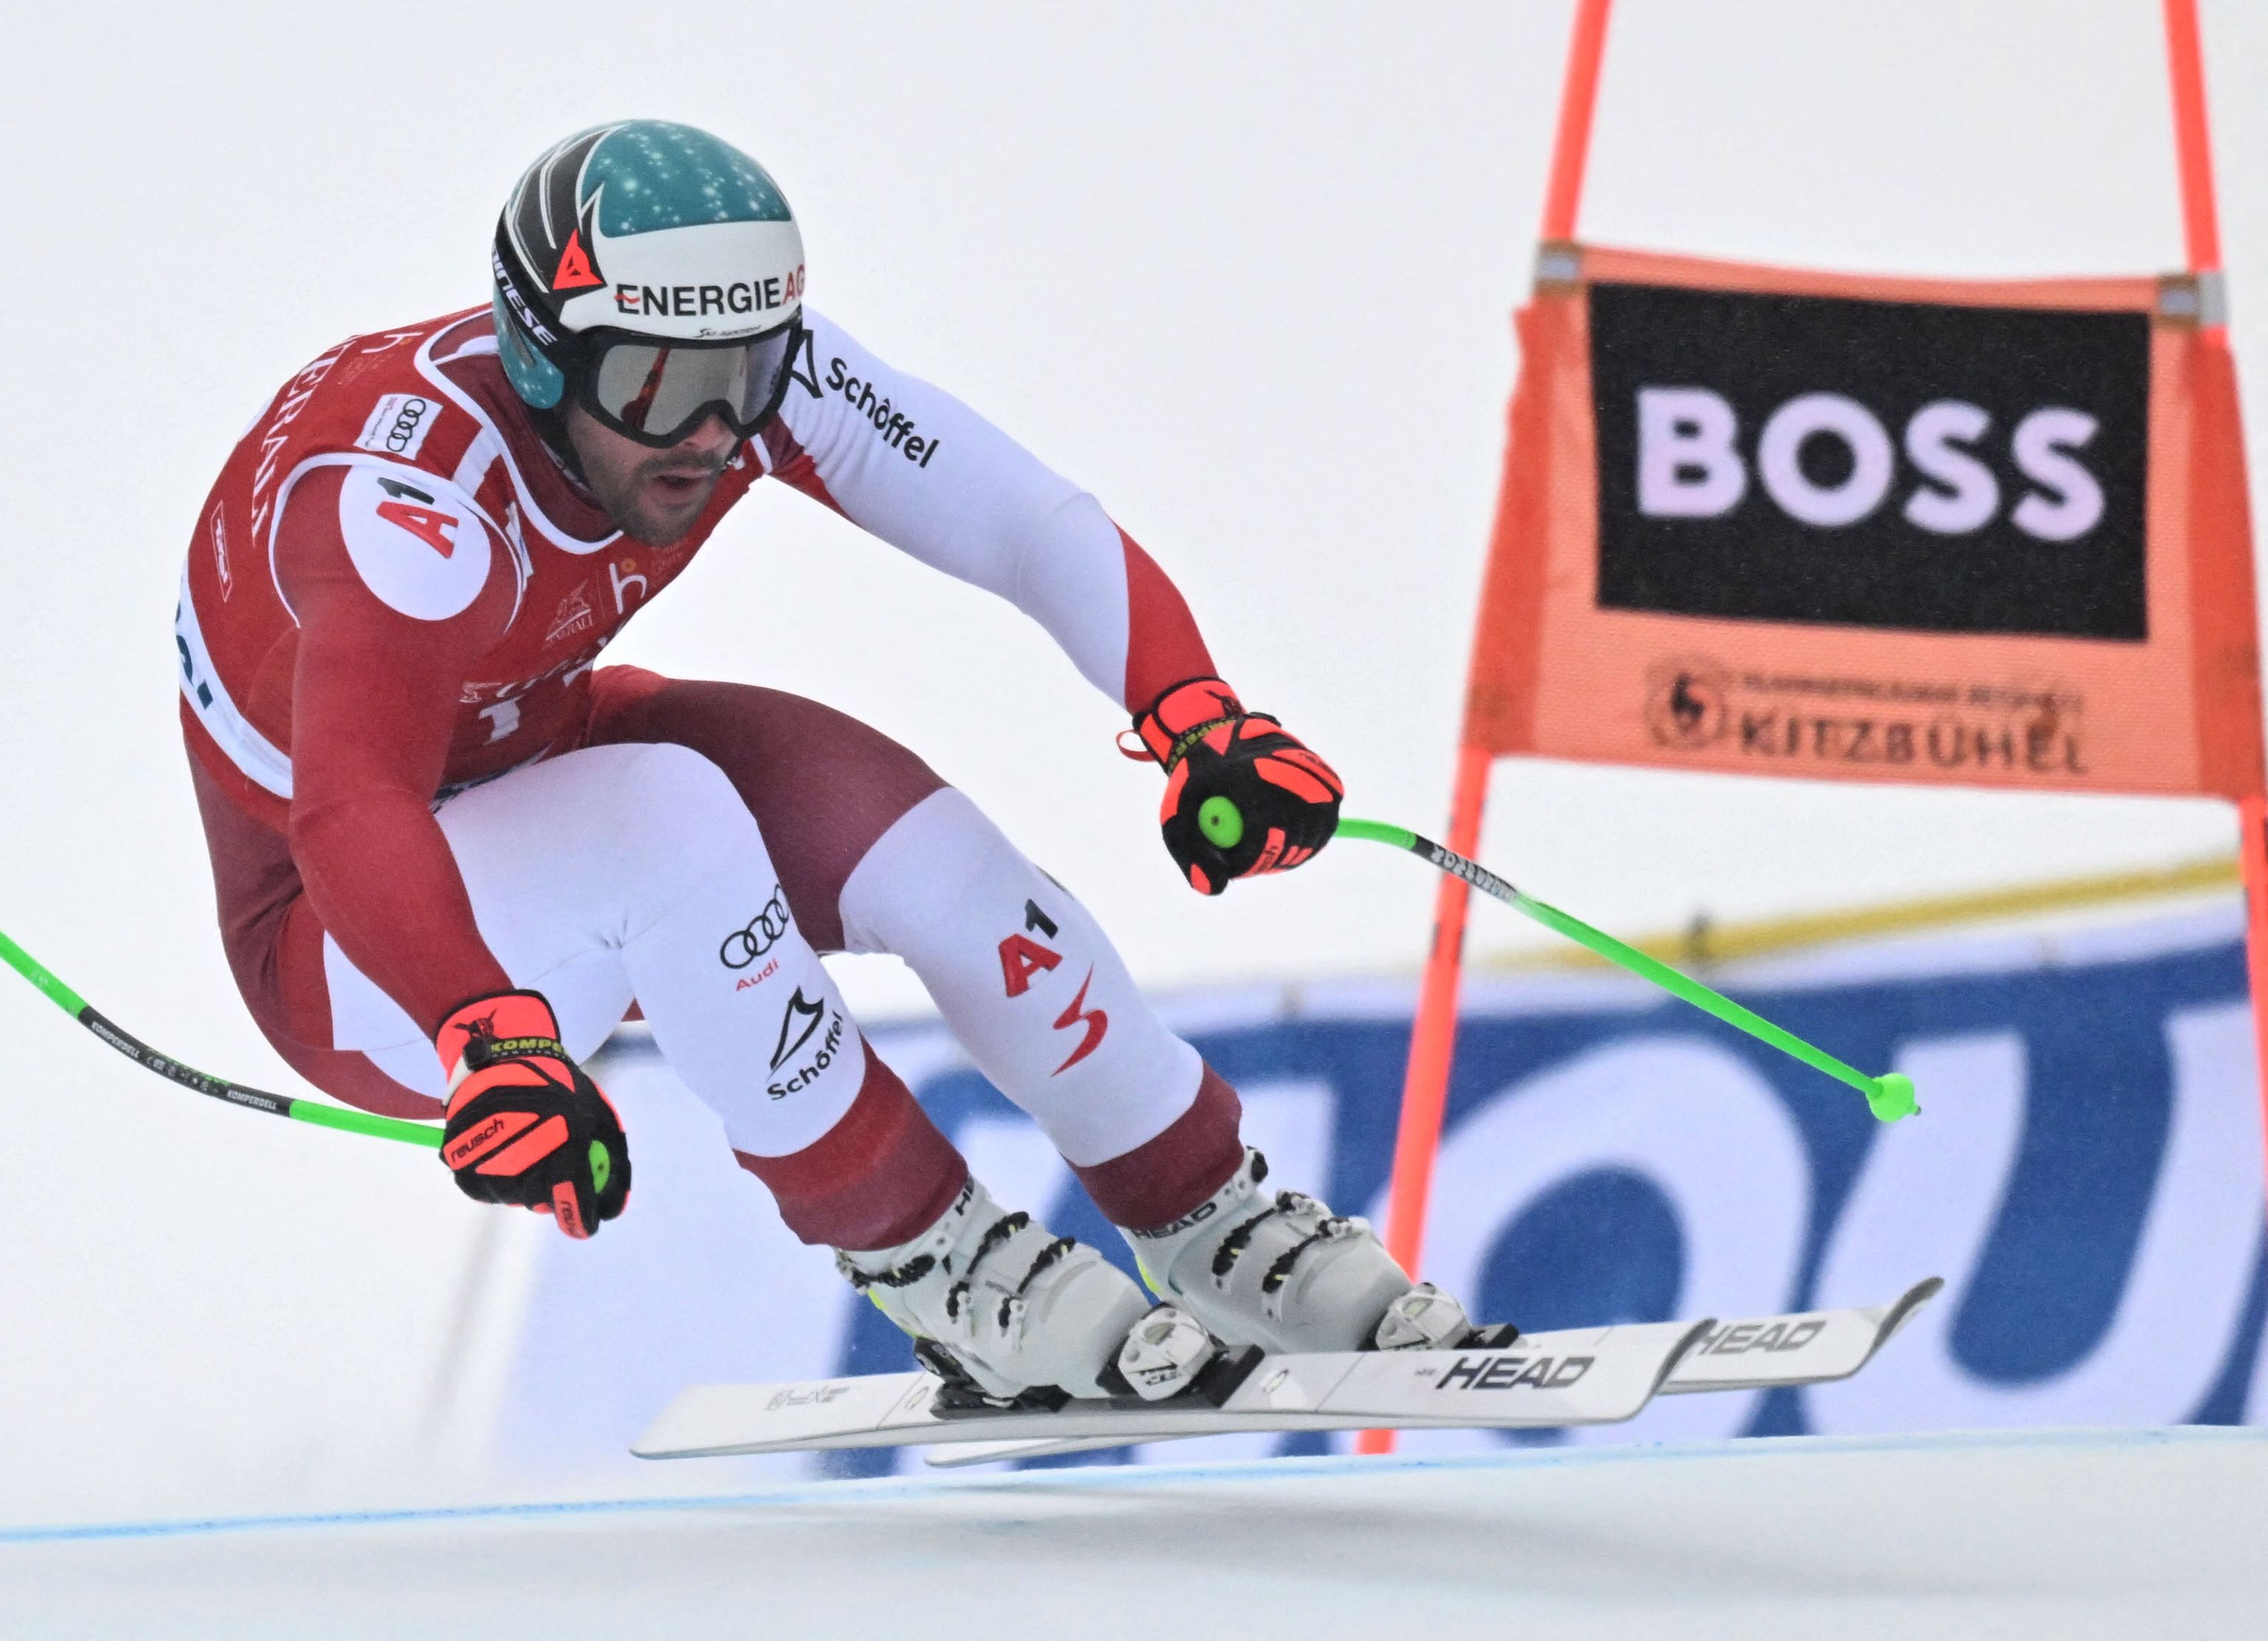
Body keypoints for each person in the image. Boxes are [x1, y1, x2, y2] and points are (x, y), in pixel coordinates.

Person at [176, 120, 1494, 1405]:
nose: (705, 433)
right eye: (653, 386)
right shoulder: (411, 513)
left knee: (929, 851)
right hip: (349, 948)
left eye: (742, 374)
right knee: (668, 814)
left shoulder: (737, 382)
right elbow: (351, 806)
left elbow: (1025, 522)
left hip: (536, 753)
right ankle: (935, 1257)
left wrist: (1196, 715)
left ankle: (1217, 1219)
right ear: (541, 359)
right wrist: (487, 1030)